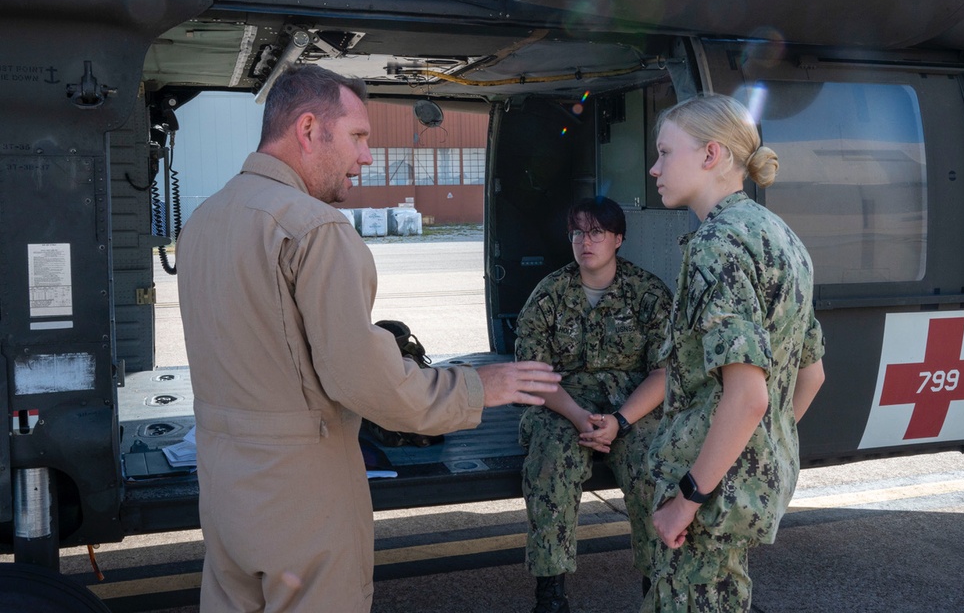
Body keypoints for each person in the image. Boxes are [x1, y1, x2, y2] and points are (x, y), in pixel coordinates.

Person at [176, 65, 560, 613]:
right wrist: (478, 387)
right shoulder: (314, 229)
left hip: (223, 487)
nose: (367, 157)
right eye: (357, 137)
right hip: (299, 494)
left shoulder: (207, 218)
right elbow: (367, 383)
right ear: (308, 130)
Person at [643, 93, 826, 612]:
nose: (655, 168)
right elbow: (810, 375)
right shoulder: (781, 238)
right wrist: (755, 454)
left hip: (708, 493)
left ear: (711, 155)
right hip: (737, 485)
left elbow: (747, 398)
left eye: (665, 152)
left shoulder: (716, 246)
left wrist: (688, 500)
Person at [515, 197, 673, 613]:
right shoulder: (549, 294)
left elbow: (664, 372)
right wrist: (579, 417)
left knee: (651, 467)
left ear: (618, 239)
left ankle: (656, 586)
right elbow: (533, 372)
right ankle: (550, 594)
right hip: (565, 402)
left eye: (597, 232)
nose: (587, 241)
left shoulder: (648, 293)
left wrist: (619, 421)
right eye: (579, 232)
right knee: (550, 464)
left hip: (631, 405)